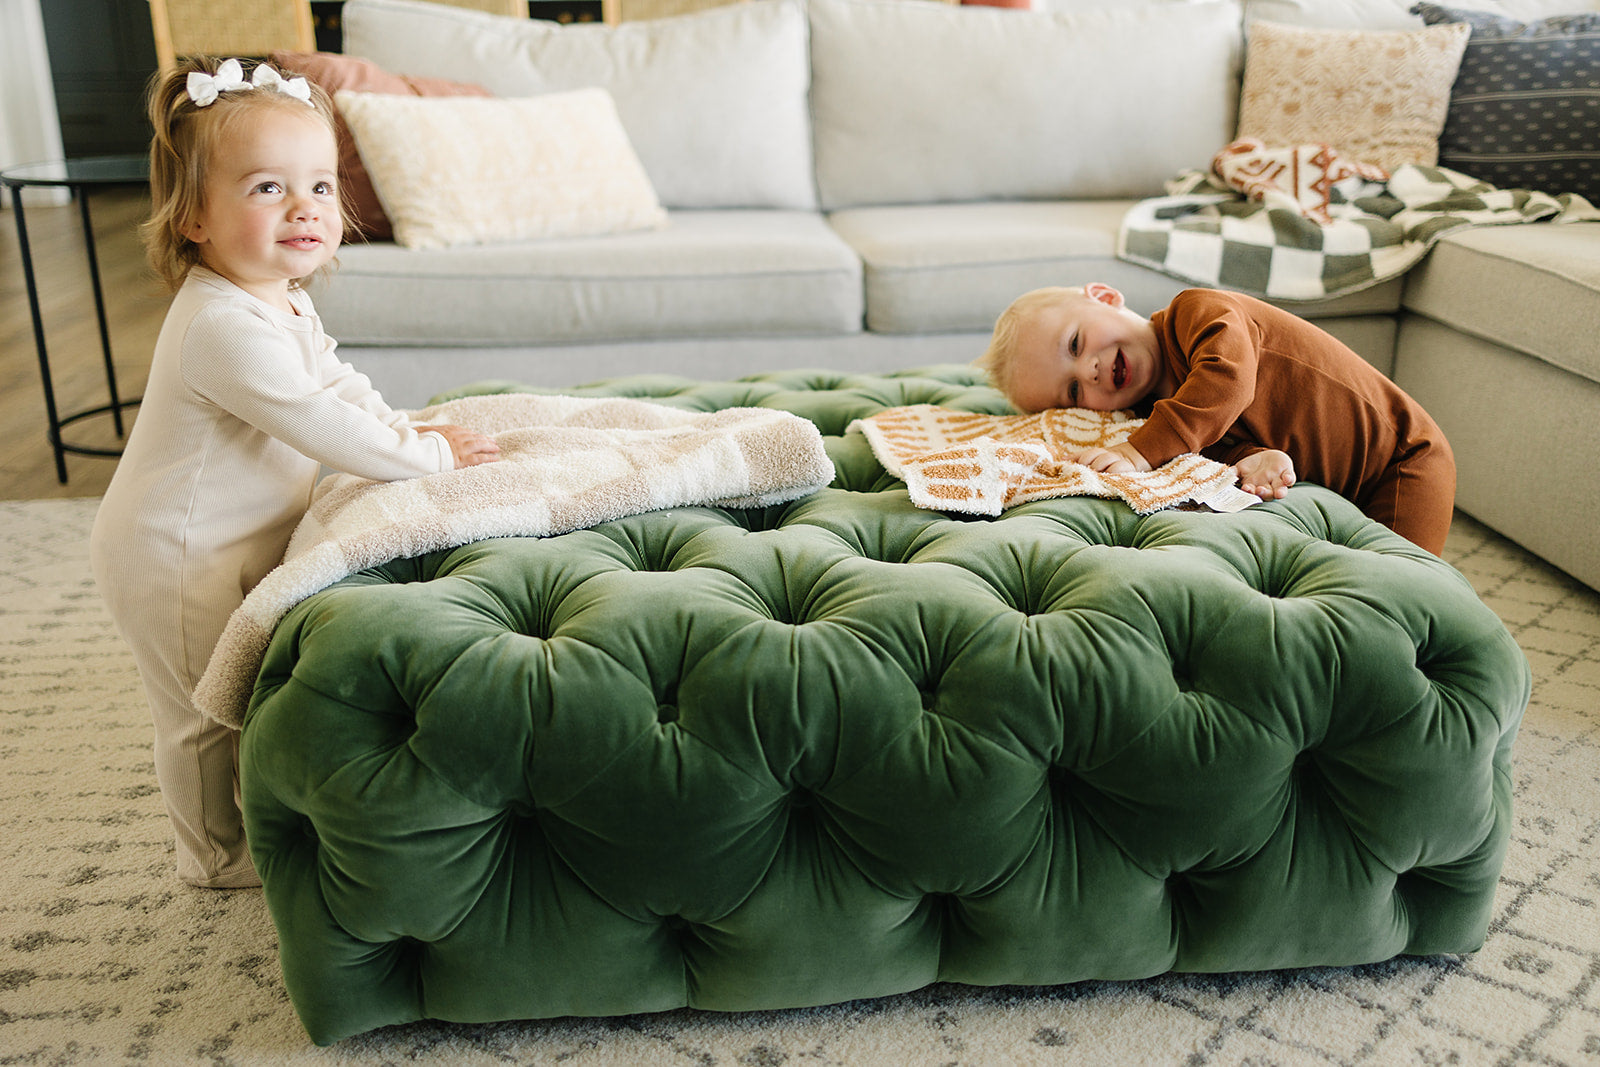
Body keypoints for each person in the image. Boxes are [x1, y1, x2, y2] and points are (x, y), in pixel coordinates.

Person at [90, 57, 500, 888]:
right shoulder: (220, 326)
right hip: (173, 554)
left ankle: (255, 812)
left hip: (234, 538)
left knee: (244, 690)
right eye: (267, 188)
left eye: (319, 185)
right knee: (200, 714)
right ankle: (213, 856)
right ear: (195, 217)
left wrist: (407, 428)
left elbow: (338, 385)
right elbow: (319, 422)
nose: (305, 207)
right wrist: (428, 459)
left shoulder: (280, 297)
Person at [975, 284, 1455, 554]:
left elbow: (1228, 383)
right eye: (1074, 392)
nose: (1090, 371)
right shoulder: (1155, 413)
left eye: (1076, 344)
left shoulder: (1196, 312)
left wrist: (1138, 451)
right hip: (1340, 488)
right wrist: (1257, 456)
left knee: (1400, 582)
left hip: (1402, 458)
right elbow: (1220, 438)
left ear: (1104, 296)